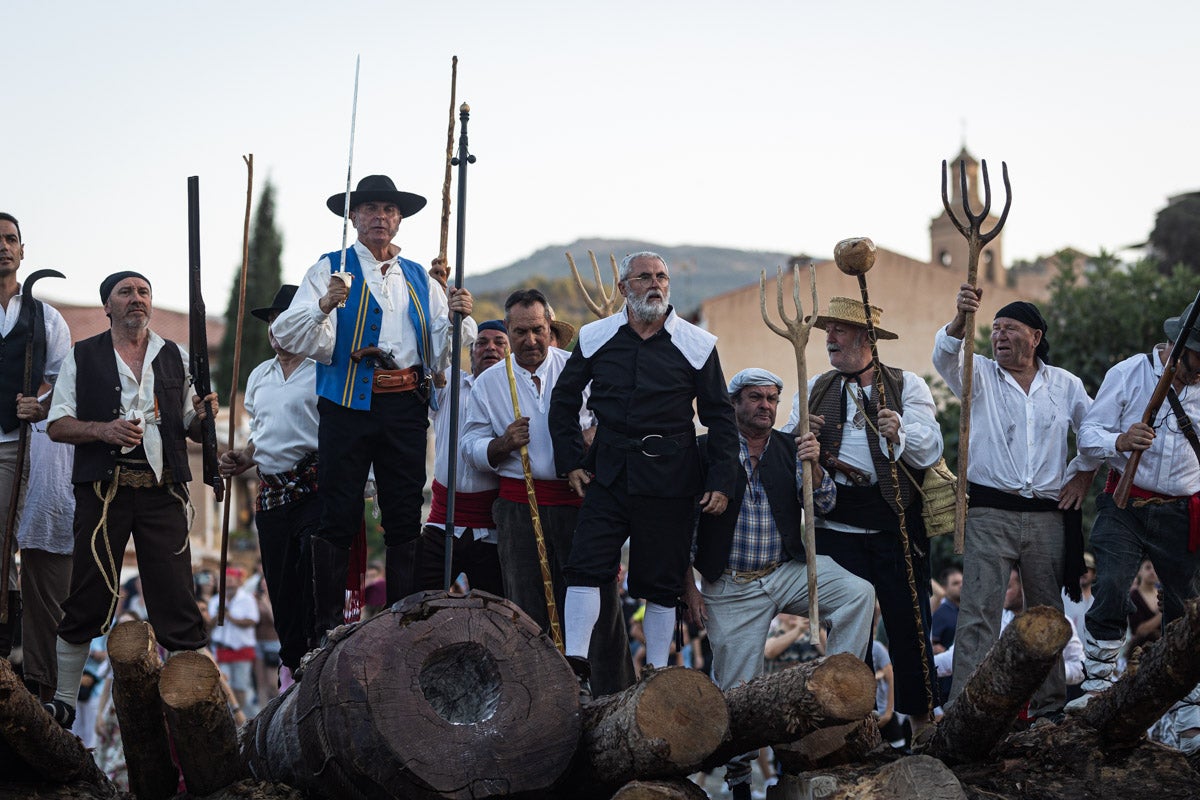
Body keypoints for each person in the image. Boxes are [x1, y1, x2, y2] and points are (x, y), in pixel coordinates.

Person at [271, 175, 475, 643]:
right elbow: (287, 334)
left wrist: (459, 314)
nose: (380, 217)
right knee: (338, 513)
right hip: (346, 405)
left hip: (405, 405)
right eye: (370, 209)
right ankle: (327, 630)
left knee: (404, 513)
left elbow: (442, 350)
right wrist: (324, 305)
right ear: (353, 217)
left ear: (399, 220)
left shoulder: (421, 278)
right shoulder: (329, 268)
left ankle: (403, 625)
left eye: (388, 210)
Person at [686, 367, 875, 800]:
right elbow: (682, 526)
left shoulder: (791, 447)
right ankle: (739, 780)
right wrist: (689, 588)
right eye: (755, 397)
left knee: (858, 593)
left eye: (772, 398)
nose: (765, 406)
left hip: (785, 570)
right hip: (730, 585)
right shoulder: (706, 450)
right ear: (733, 403)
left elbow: (824, 503)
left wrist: (815, 467)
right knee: (737, 692)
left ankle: (838, 693)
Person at [550, 251, 739, 683]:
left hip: (671, 476)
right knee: (585, 564)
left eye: (661, 277)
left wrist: (721, 480)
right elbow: (563, 400)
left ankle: (656, 673)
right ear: (623, 288)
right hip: (608, 473)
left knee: (661, 580)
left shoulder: (696, 343)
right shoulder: (596, 336)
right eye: (644, 277)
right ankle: (575, 666)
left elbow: (720, 417)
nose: (655, 284)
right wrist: (571, 462)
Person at [45, 271, 218, 727]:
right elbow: (57, 424)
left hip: (163, 491)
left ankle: (194, 707)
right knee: (88, 591)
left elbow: (191, 427)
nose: (136, 298)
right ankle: (64, 700)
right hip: (104, 493)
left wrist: (204, 417)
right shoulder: (83, 355)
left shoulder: (175, 355)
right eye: (125, 292)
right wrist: (102, 430)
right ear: (107, 306)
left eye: (143, 291)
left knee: (177, 596)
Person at [932, 287, 1096, 720]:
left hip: (1046, 515)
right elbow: (944, 356)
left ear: (1036, 337)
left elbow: (1094, 431)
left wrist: (1083, 472)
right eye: (995, 329)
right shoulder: (979, 373)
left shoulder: (1065, 384)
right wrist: (961, 318)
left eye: (1010, 328)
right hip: (989, 512)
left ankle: (1048, 710)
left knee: (1046, 616)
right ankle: (964, 711)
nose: (999, 336)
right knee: (978, 613)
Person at [463, 290, 633, 695]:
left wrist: (594, 437)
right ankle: (539, 701)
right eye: (520, 332)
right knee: (527, 607)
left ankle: (613, 697)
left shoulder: (578, 368)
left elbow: (613, 417)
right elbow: (469, 445)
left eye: (538, 330)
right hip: (520, 507)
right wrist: (501, 444)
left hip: (581, 500)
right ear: (508, 331)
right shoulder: (488, 383)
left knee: (599, 601)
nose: (530, 340)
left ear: (550, 327)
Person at [784, 296, 942, 725]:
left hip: (896, 525)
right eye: (828, 330)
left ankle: (921, 724)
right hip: (835, 527)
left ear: (865, 337)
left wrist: (900, 431)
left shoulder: (907, 385)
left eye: (839, 330)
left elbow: (931, 448)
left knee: (910, 624)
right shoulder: (814, 388)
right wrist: (801, 436)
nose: (829, 338)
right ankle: (852, 724)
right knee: (847, 629)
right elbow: (786, 449)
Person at [1076, 300, 1200, 700]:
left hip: (1182, 511)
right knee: (1112, 585)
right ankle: (1098, 683)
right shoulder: (1128, 373)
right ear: (1179, 348)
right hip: (1125, 503)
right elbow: (1087, 435)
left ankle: (1186, 707)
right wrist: (1121, 440)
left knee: (1186, 607)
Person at [219, 284, 318, 688]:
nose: (276, 328)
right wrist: (245, 456)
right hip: (272, 492)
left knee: (312, 569)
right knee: (279, 583)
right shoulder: (259, 375)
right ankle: (290, 666)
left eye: (285, 320)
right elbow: (261, 435)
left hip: (315, 485)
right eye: (272, 321)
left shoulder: (324, 369)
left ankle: (318, 654)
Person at [0, 212, 71, 671]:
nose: (3, 246)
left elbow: (66, 384)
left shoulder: (46, 317)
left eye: (10, 239)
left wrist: (40, 407)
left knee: (24, 543)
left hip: (25, 443)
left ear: (22, 251)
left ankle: (16, 652)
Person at [412, 319, 509, 596]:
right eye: (481, 342)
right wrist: (454, 311)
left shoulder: (513, 396)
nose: (490, 347)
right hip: (441, 523)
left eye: (499, 342)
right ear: (471, 352)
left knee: (493, 610)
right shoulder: (451, 384)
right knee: (419, 602)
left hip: (492, 530)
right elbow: (436, 353)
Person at [208, 566, 259, 718]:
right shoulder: (215, 600)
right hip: (222, 649)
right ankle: (230, 717)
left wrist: (230, 617)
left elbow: (252, 620)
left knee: (241, 686)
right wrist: (219, 615)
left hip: (242, 649)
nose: (228, 584)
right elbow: (209, 625)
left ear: (238, 582)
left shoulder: (247, 599)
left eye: (231, 581)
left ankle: (241, 717)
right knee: (225, 686)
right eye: (225, 581)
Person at [930, 566, 961, 701]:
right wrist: (937, 649)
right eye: (955, 583)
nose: (961, 586)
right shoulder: (941, 613)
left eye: (962, 582)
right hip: (945, 681)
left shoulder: (967, 611)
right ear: (945, 587)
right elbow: (931, 644)